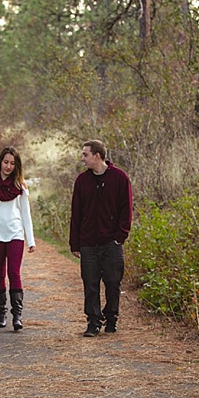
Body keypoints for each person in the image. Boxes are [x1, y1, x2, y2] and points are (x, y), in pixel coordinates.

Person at [69, 139, 133, 337]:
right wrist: (75, 243)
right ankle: (93, 322)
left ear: (97, 156)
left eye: (85, 155)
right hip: (88, 242)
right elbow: (76, 213)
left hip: (111, 242)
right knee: (90, 283)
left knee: (113, 282)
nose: (83, 159)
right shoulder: (82, 181)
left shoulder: (119, 178)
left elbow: (127, 209)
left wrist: (119, 237)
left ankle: (111, 317)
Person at [0, 147, 36, 331]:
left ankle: (17, 315)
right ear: (0, 162)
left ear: (16, 165)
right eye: (6, 162)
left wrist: (31, 239)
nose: (8, 166)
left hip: (15, 233)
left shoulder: (20, 186)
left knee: (14, 272)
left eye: (12, 163)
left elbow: (26, 214)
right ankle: (1, 312)